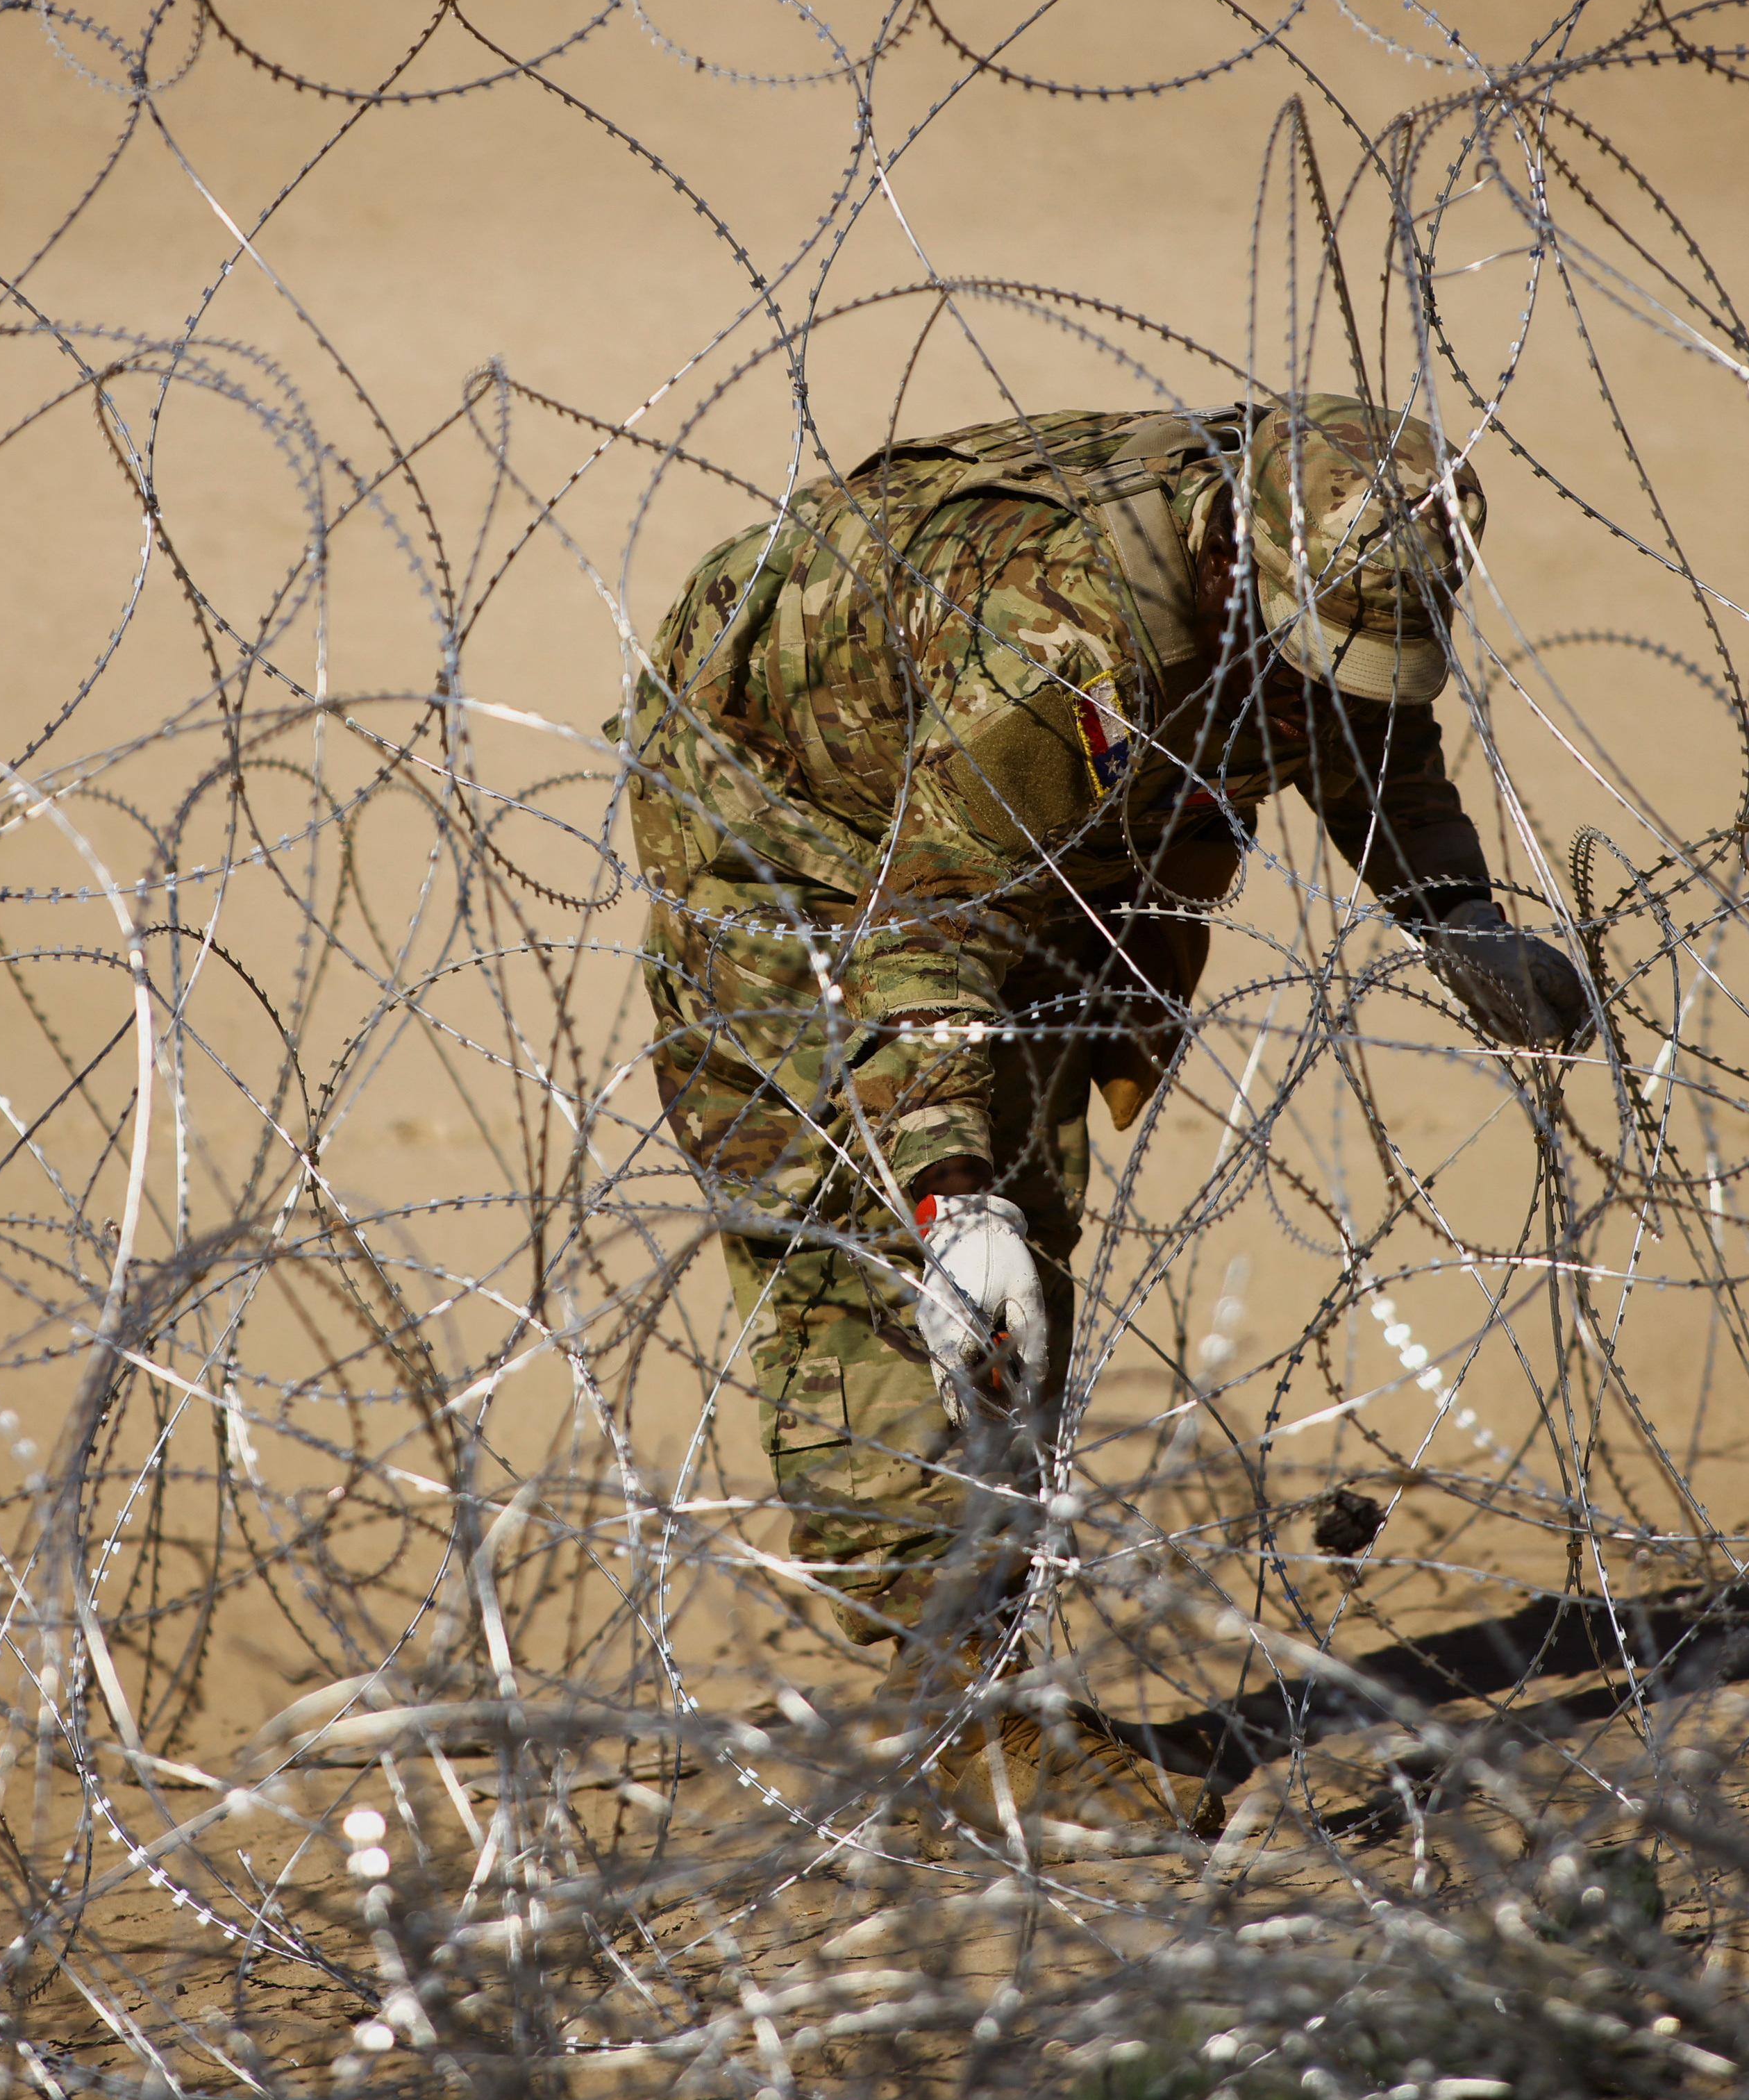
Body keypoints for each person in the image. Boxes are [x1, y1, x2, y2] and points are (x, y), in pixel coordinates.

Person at [617, 397, 1589, 1833]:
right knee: (880, 1257)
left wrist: (1447, 910)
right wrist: (948, 1192)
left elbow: (1354, 725)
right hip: (798, 843)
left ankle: (977, 1668)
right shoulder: (1051, 644)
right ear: (1229, 580)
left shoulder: (1331, 528)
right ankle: (963, 1722)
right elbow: (924, 938)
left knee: (1021, 1220)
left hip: (1019, 833)